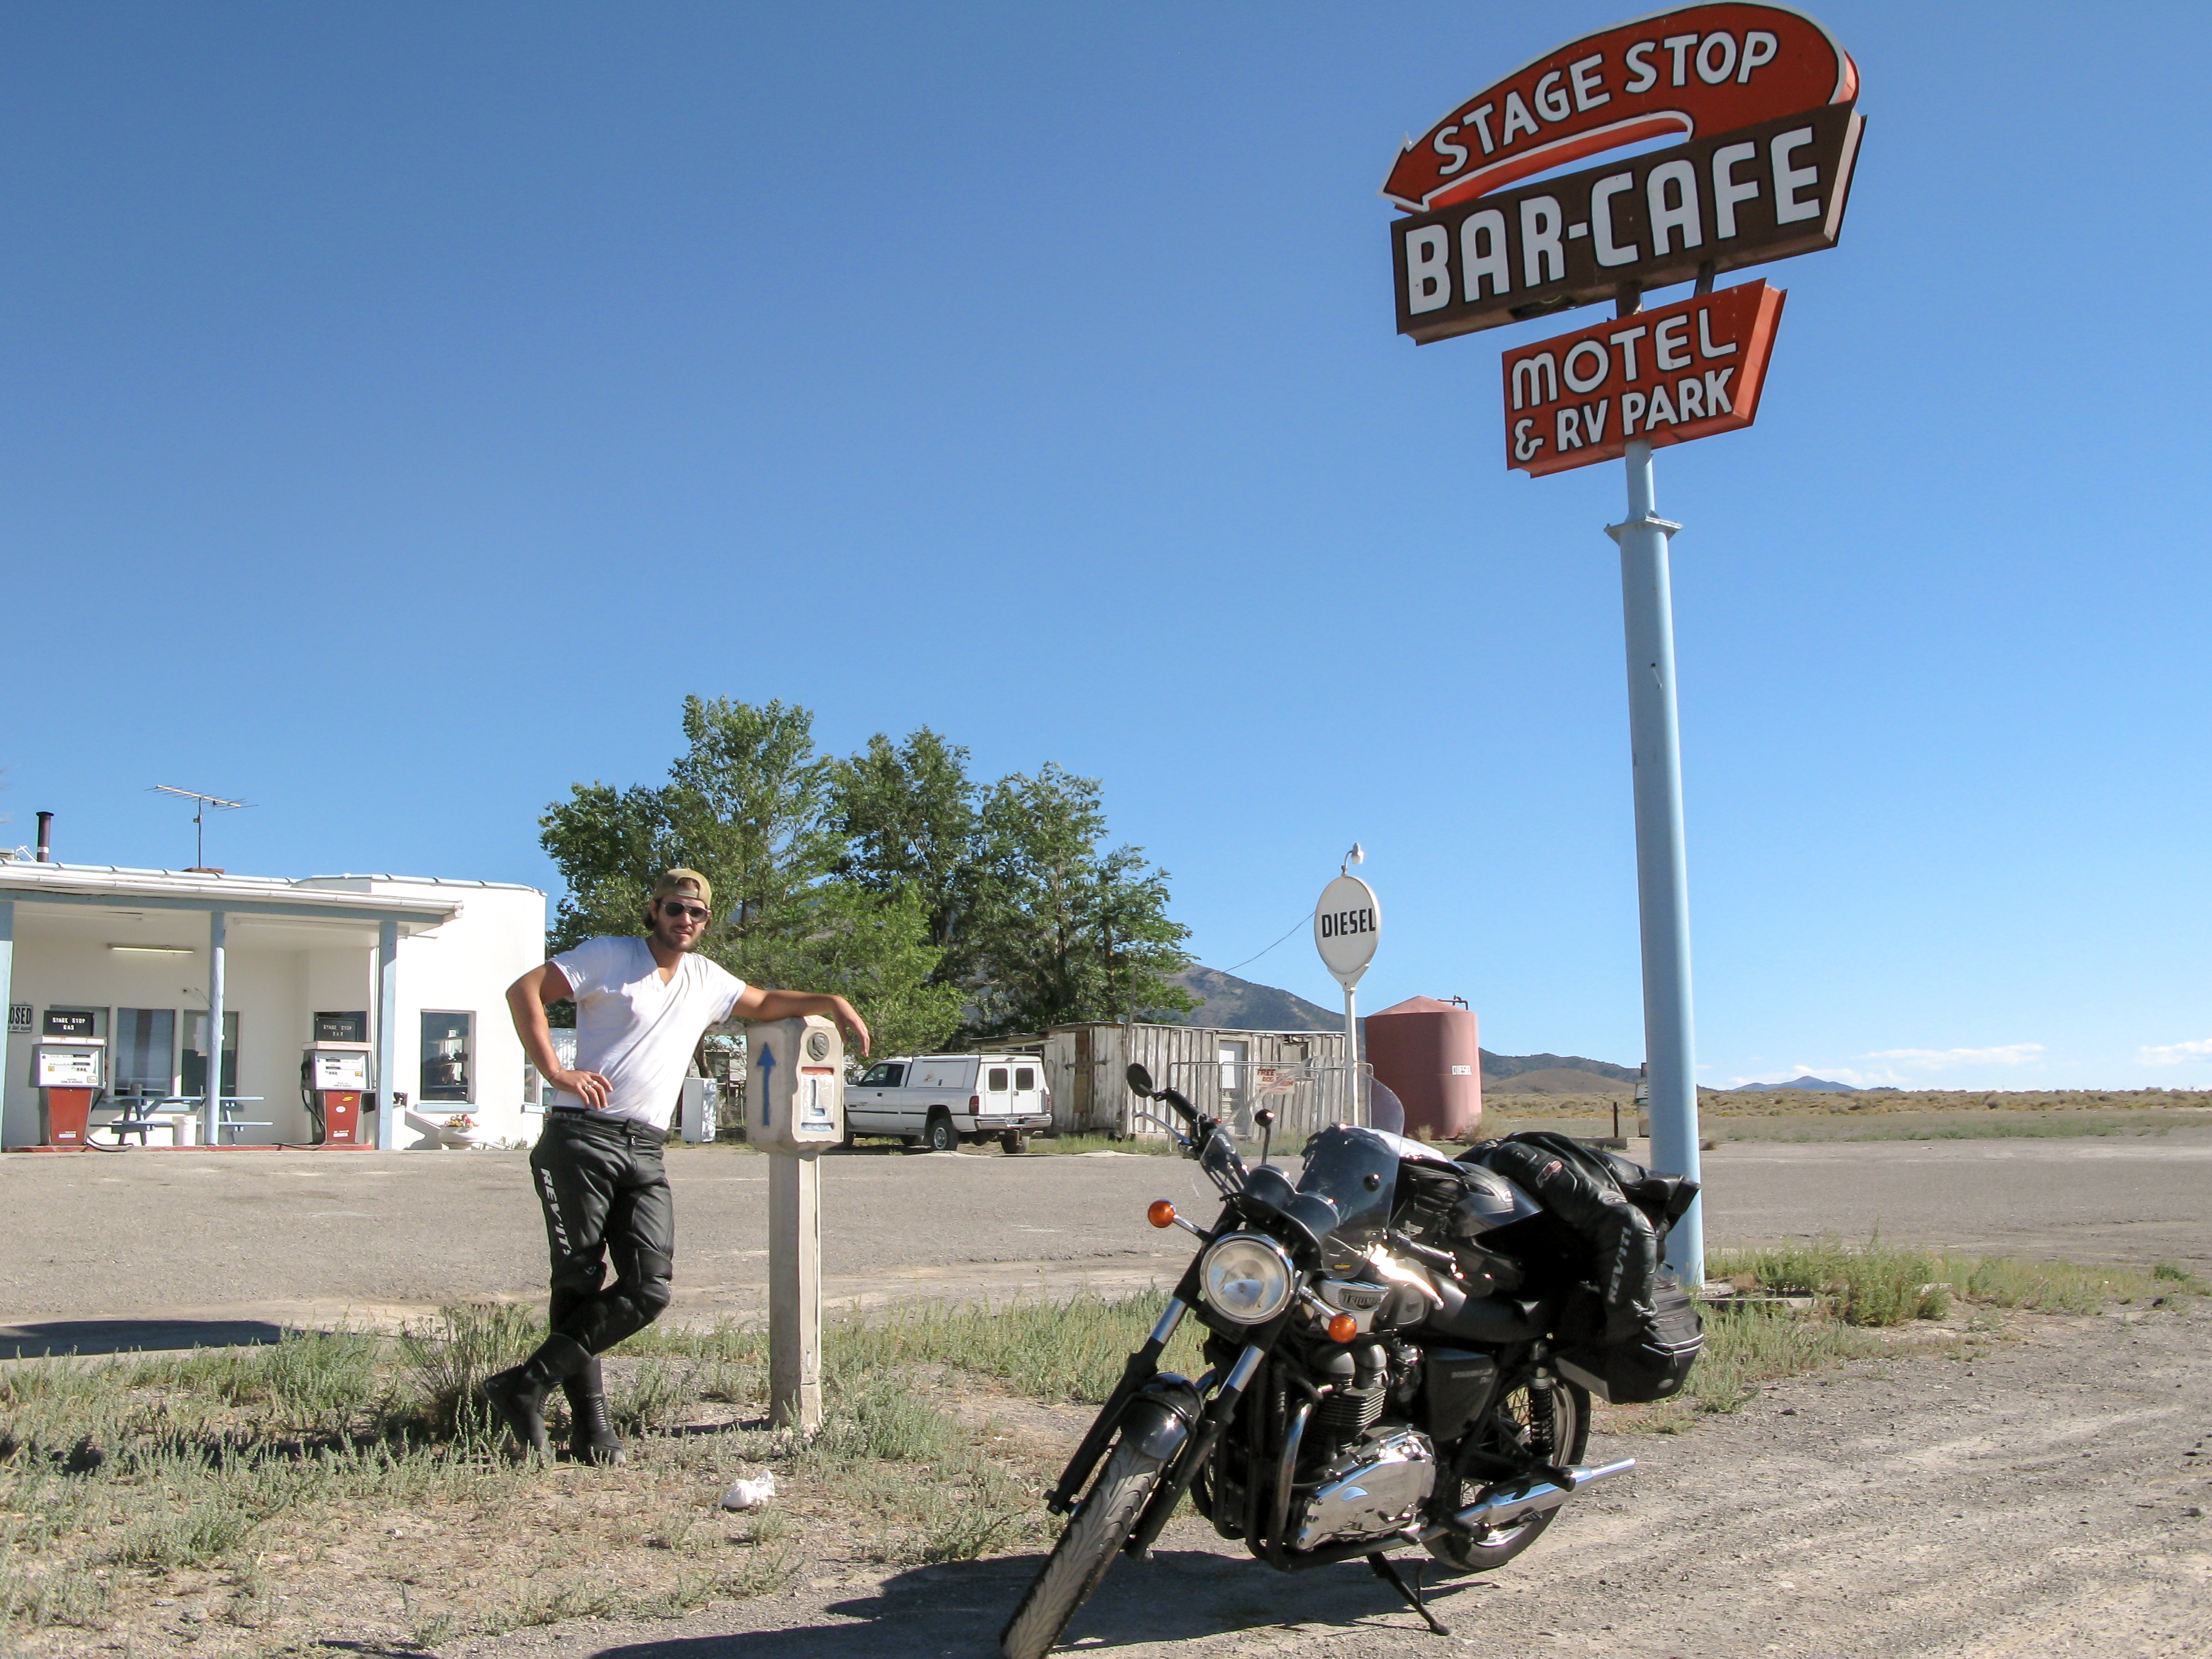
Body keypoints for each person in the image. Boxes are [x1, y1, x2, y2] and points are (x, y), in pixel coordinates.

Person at [491, 867, 869, 1463]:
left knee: (649, 1289)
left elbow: (764, 1004)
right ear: (655, 910)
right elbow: (525, 992)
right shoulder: (610, 957)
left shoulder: (705, 978)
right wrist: (555, 1072)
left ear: (705, 921)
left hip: (645, 1147)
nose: (684, 921)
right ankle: (592, 1427)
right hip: (580, 1138)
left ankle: (525, 1385)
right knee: (579, 1281)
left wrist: (833, 1001)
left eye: (696, 913)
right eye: (674, 909)